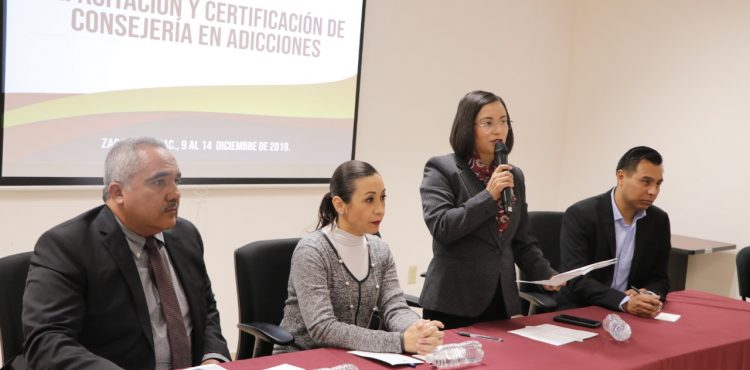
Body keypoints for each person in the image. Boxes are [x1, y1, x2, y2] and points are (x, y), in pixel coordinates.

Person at [22, 137, 230, 370]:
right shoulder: (67, 246)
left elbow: (206, 309)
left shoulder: (186, 235)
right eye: (160, 182)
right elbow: (48, 341)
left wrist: (213, 359)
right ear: (118, 192)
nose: (175, 194)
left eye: (176, 181)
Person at [419, 90, 559, 329]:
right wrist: (488, 196)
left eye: (504, 121)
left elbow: (522, 239)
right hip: (454, 300)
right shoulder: (442, 169)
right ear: (467, 127)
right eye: (488, 123)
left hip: (501, 300)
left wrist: (547, 273)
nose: (499, 130)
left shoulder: (513, 174)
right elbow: (442, 227)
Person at [274, 160, 444, 354]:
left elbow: (394, 307)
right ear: (339, 204)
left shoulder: (380, 249)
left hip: (353, 354)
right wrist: (399, 341)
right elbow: (322, 328)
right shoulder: (312, 251)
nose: (380, 209)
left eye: (383, 198)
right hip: (302, 356)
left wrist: (417, 328)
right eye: (369, 200)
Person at [556, 146, 670, 318]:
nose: (653, 191)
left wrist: (649, 295)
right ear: (621, 177)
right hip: (583, 310)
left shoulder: (658, 220)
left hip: (632, 314)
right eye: (646, 182)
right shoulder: (581, 215)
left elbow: (660, 277)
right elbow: (576, 279)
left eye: (658, 184)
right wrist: (623, 302)